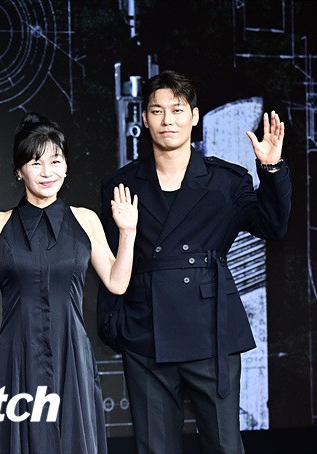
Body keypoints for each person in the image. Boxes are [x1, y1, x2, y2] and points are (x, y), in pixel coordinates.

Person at [97, 70, 291, 453]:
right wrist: (114, 325)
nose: (167, 120)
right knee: (155, 448)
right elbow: (111, 259)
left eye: (177, 109)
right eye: (157, 111)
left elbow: (273, 225)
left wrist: (271, 169)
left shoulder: (226, 181)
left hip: (211, 331)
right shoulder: (121, 185)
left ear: (194, 116)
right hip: (145, 333)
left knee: (224, 445)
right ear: (144, 118)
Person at [0, 112, 138, 453]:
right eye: (35, 163)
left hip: (71, 353)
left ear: (66, 167)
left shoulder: (85, 220)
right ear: (18, 170)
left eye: (55, 161)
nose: (47, 171)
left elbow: (117, 282)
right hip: (17, 353)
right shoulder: (0, 223)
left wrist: (127, 233)